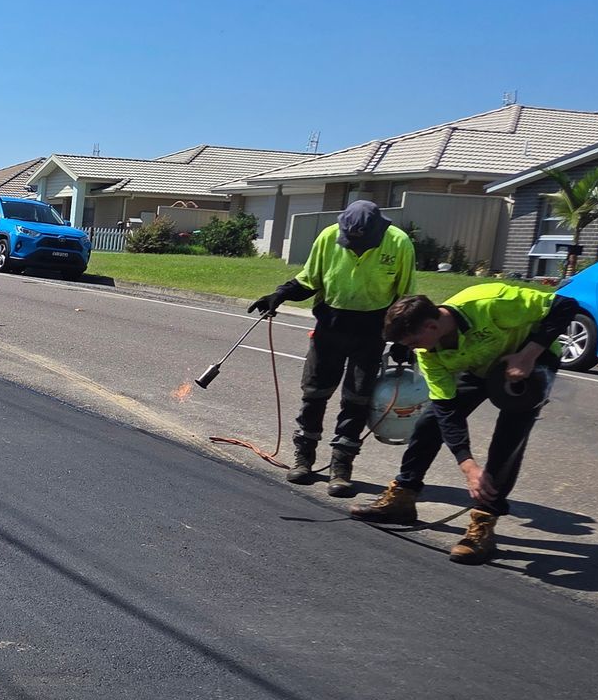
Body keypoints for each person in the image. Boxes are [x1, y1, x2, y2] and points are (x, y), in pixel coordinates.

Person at [350, 283, 580, 565]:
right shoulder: (429, 350)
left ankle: (484, 521)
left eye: (412, 343)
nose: (413, 350)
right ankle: (403, 498)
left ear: (432, 326)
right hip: (478, 365)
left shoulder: (489, 302)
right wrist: (468, 465)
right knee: (429, 422)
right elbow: (448, 411)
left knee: (509, 438)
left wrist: (527, 355)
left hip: (530, 364)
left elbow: (565, 305)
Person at [246, 201, 414, 496]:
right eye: (351, 243)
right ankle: (304, 458)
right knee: (314, 393)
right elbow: (309, 280)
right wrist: (280, 295)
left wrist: (402, 341)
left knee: (357, 399)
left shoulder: (399, 242)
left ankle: (341, 466)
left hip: (372, 330)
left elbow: (405, 297)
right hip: (331, 327)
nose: (356, 248)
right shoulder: (328, 236)